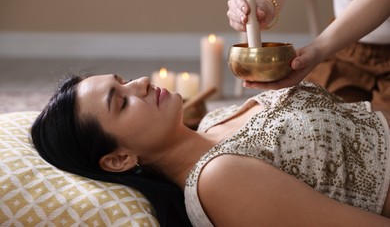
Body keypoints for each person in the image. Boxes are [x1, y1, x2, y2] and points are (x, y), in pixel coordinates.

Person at [31, 73, 390, 226]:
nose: (139, 84)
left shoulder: (213, 121)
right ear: (120, 158)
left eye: (123, 81)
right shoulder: (218, 179)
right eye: (121, 102)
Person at [226, 0, 390, 108]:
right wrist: (262, 2)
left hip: (333, 42)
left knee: (379, 131)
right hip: (346, 51)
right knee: (307, 120)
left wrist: (320, 48)